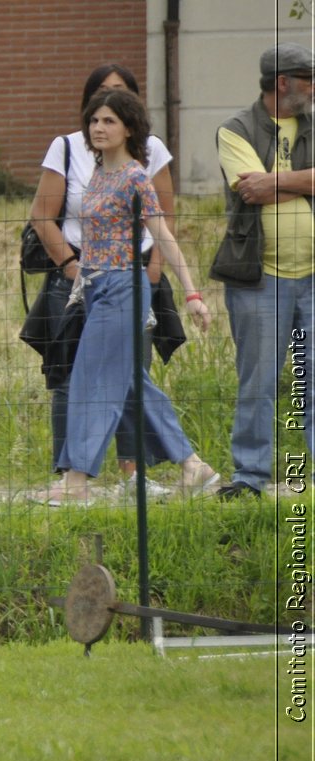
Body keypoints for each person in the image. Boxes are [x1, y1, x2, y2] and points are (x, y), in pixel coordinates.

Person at [45, 88, 215, 506]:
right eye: (94, 120)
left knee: (89, 377)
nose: (99, 128)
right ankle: (194, 466)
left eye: (109, 121)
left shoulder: (136, 175)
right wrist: (82, 284)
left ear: (128, 128)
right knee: (132, 384)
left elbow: (162, 234)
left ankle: (77, 479)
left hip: (125, 286)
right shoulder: (100, 174)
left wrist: (192, 293)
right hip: (98, 286)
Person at [26, 63, 182, 495]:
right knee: (87, 375)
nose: (103, 118)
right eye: (98, 104)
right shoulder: (78, 154)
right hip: (81, 277)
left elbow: (162, 223)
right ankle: (189, 466)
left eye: (118, 100)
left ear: (131, 116)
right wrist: (74, 270)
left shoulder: (139, 163)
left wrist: (156, 277)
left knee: (114, 377)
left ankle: (114, 476)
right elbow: (43, 214)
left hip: (127, 278)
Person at [210, 42, 315, 500]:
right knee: (259, 380)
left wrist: (274, 180)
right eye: (308, 79)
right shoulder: (235, 130)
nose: (314, 87)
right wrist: (305, 180)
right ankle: (250, 477)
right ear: (281, 84)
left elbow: (262, 186)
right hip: (260, 279)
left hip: (313, 275)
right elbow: (248, 192)